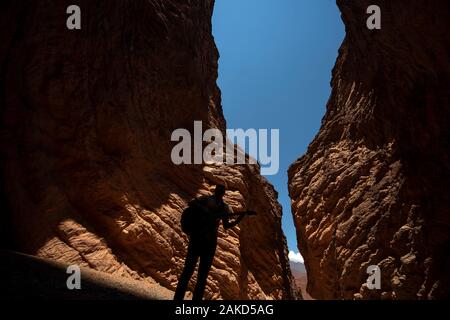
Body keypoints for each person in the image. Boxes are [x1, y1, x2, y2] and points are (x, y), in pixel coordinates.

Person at [174, 184, 244, 301]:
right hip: (197, 238)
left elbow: (226, 226)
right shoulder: (206, 199)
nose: (220, 192)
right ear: (216, 191)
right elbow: (191, 202)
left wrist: (239, 219)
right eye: (219, 190)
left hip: (210, 244)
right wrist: (205, 210)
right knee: (188, 271)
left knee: (202, 277)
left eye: (222, 191)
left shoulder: (224, 207)